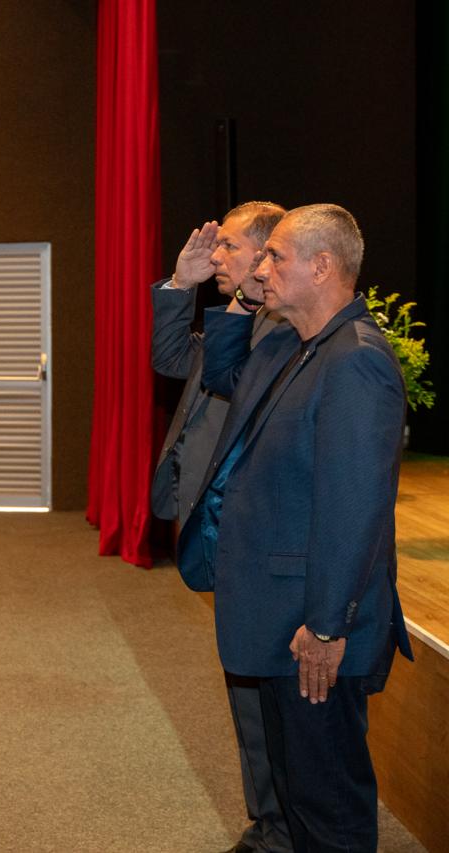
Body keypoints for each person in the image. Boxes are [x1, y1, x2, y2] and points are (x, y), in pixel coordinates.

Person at [178, 204, 413, 852]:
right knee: (297, 798)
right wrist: (241, 306)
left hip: (316, 634)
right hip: (283, 621)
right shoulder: (296, 345)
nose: (262, 265)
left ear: (323, 266)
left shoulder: (355, 361)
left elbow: (355, 511)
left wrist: (328, 625)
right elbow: (226, 374)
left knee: (328, 812)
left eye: (276, 256)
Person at [151, 202, 290, 853]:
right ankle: (270, 818)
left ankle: (280, 823)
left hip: (247, 530)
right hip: (218, 526)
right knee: (245, 683)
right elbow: (172, 356)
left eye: (229, 247)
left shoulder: (278, 332)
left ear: (269, 253)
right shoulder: (241, 320)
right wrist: (180, 284)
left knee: (263, 689)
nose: (218, 258)